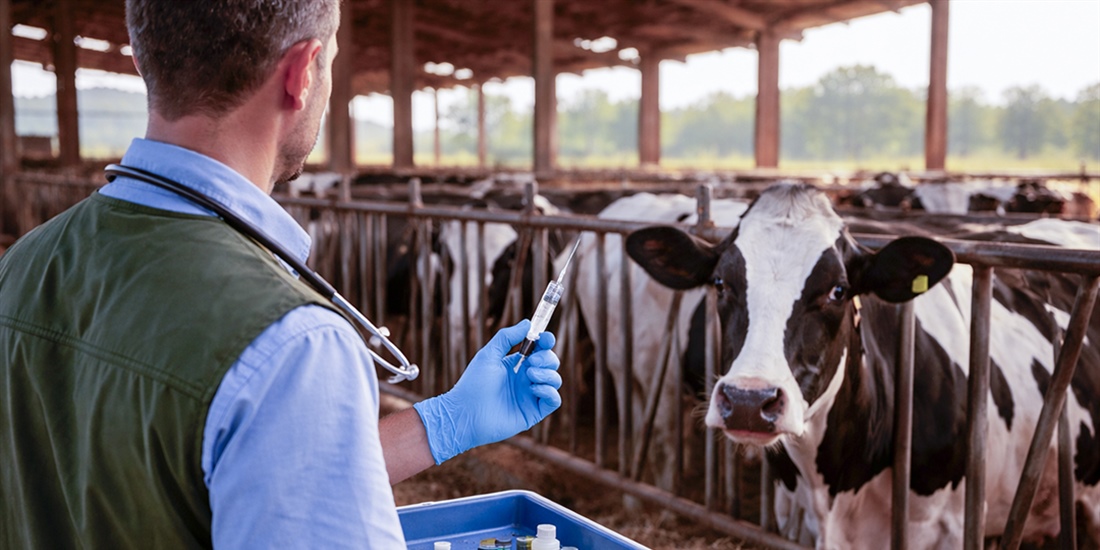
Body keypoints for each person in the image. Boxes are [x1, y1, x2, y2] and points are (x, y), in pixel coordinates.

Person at [0, 1, 562, 548]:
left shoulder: (21, 267)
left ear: (145, 64)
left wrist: (446, 422)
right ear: (301, 74)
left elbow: (264, 472)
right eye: (331, 63)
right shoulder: (292, 342)